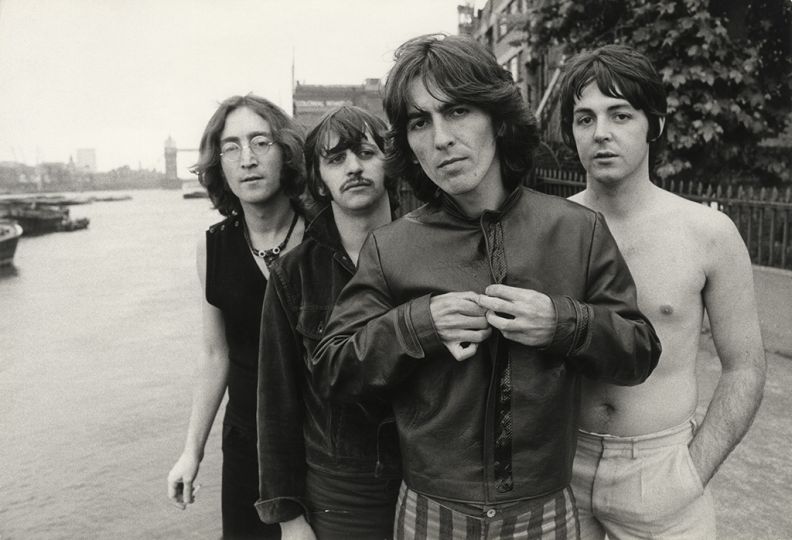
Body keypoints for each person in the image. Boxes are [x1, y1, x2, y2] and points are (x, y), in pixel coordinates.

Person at [311, 34, 662, 539]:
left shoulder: (576, 230)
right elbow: (332, 371)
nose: (440, 139)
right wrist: (417, 325)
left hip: (543, 509)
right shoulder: (392, 247)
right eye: (419, 122)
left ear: (498, 118)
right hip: (431, 509)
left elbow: (639, 352)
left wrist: (562, 324)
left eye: (457, 112)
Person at [562, 45, 767, 539]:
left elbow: (746, 367)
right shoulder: (551, 228)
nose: (601, 133)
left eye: (620, 115)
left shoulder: (707, 232)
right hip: (562, 469)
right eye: (584, 118)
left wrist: (692, 472)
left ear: (655, 124)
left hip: (661, 470)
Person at [255, 106, 402, 540]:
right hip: (340, 495)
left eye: (365, 152)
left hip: (430, 485)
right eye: (335, 159)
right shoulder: (294, 274)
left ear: (389, 163)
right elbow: (276, 402)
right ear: (319, 179)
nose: (353, 167)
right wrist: (290, 518)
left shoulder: (430, 250)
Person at [167, 94, 307, 539]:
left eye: (260, 142)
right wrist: (192, 451)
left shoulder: (325, 236)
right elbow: (214, 354)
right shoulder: (212, 248)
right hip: (248, 446)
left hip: (322, 444)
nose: (247, 159)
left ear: (285, 152)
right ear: (219, 166)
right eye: (231, 147)